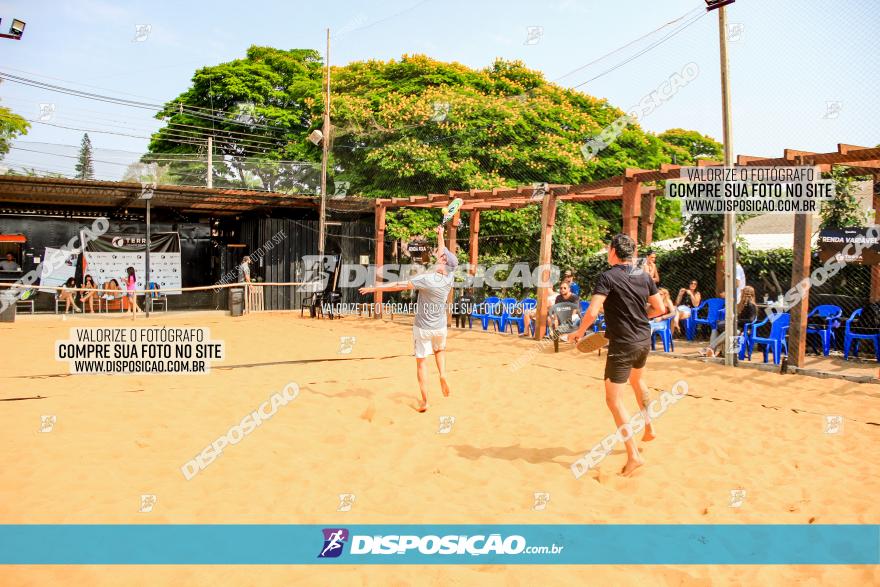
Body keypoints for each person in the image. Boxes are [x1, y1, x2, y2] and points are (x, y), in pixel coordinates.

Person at [571, 234, 666, 477]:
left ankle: (634, 455)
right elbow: (660, 309)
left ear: (613, 251)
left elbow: (592, 311)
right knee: (638, 381)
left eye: (608, 248)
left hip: (623, 344)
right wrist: (637, 319)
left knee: (613, 401)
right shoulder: (644, 276)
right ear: (633, 254)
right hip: (644, 340)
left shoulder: (607, 276)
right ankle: (650, 426)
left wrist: (579, 333)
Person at [359, 224, 455, 413]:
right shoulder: (449, 277)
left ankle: (425, 401)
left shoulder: (427, 279)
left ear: (443, 263)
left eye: (440, 257)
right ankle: (443, 374)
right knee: (440, 351)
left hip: (422, 328)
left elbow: (398, 285)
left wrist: (374, 288)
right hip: (440, 327)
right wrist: (441, 234)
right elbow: (443, 252)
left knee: (421, 362)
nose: (438, 255)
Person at [702, 285, 757, 357]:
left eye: (743, 292)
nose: (742, 294)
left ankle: (709, 348)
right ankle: (711, 352)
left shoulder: (751, 305)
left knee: (730, 331)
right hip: (737, 327)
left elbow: (751, 320)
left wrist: (737, 320)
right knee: (715, 330)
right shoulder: (742, 304)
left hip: (745, 329)